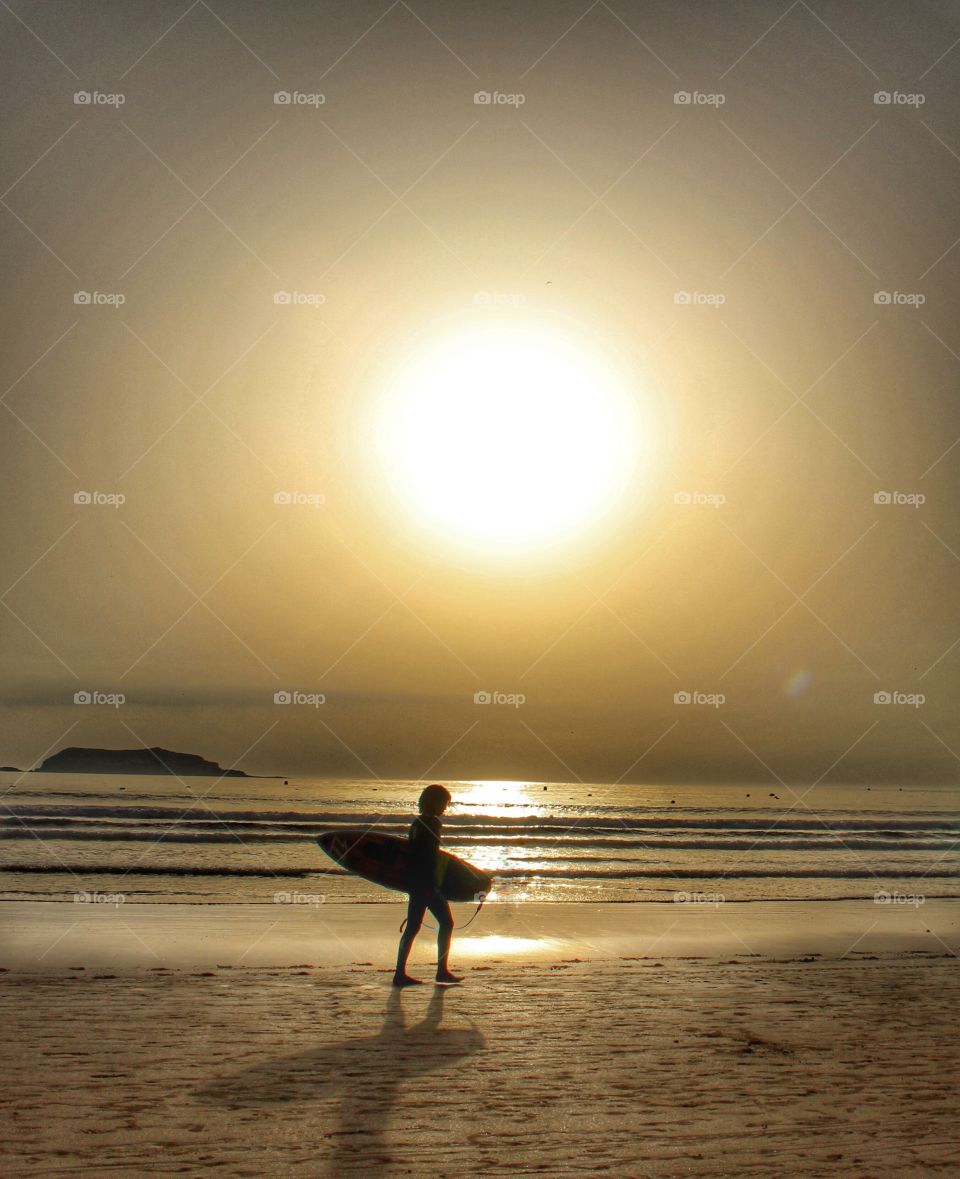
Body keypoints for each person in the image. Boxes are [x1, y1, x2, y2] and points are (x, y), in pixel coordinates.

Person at [393, 783, 463, 987]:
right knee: (445, 923)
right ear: (434, 801)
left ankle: (401, 973)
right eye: (444, 803)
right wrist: (434, 883)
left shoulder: (417, 823)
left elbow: (414, 854)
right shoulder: (431, 824)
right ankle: (440, 971)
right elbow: (428, 857)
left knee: (414, 927)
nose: (445, 808)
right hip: (425, 883)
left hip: (414, 881)